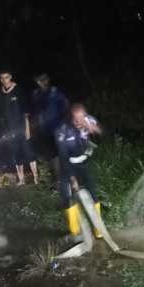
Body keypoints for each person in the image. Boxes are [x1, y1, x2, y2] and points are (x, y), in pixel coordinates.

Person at [55, 103, 103, 238]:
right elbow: (63, 157)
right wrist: (72, 178)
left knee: (93, 194)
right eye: (76, 120)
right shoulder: (62, 130)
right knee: (67, 196)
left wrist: (94, 129)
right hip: (67, 165)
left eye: (81, 119)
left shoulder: (89, 121)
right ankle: (75, 231)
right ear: (71, 117)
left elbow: (102, 134)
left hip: (84, 163)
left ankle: (98, 229)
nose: (79, 123)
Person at [0, 70, 38, 185]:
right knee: (17, 154)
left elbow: (26, 112)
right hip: (10, 131)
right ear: (0, 80)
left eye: (6, 77)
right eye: (2, 78)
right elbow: (0, 115)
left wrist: (27, 128)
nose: (4, 80)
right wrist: (4, 132)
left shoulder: (19, 91)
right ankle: (21, 179)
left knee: (29, 153)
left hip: (22, 128)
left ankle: (36, 178)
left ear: (11, 77)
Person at [32, 73, 69, 176]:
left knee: (63, 152)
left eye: (44, 79)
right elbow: (36, 111)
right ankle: (58, 178)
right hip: (45, 129)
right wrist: (35, 125)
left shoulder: (55, 91)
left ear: (48, 79)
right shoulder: (36, 94)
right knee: (51, 154)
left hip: (58, 127)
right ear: (37, 81)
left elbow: (65, 105)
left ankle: (70, 176)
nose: (42, 81)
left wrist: (65, 122)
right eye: (39, 80)